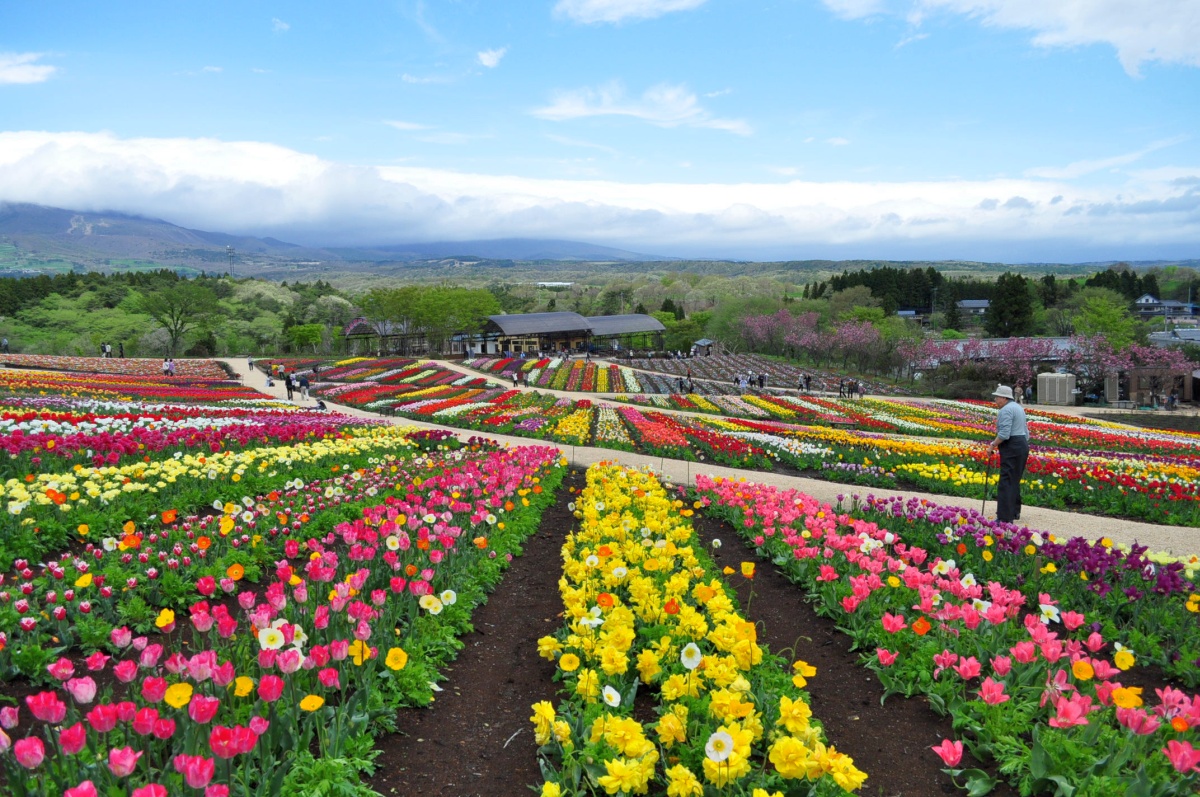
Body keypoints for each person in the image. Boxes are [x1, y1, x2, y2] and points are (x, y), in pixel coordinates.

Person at [987, 385, 1029, 523]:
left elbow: (1004, 434)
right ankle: (1014, 511)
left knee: (1006, 480)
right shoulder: (1018, 408)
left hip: (1012, 445)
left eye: (997, 397)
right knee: (1014, 479)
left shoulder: (1005, 410)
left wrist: (993, 445)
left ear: (1004, 398)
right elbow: (1026, 431)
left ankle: (1005, 517)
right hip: (1022, 443)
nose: (995, 399)